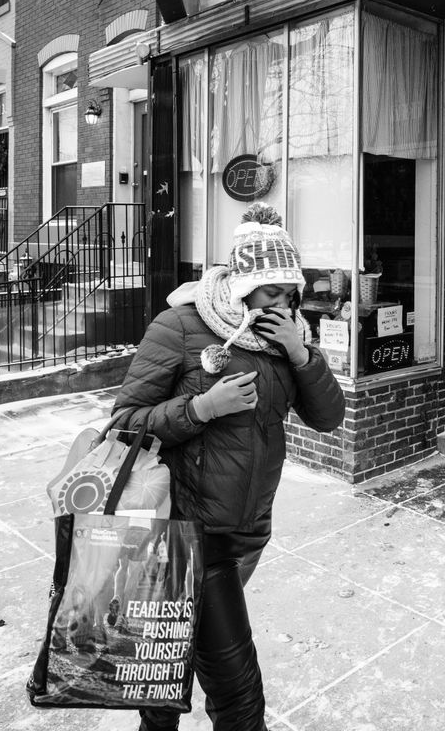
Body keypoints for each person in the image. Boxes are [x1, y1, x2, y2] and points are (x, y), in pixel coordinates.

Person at [112, 202, 345, 731]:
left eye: (291, 296)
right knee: (240, 701)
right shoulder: (180, 326)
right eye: (272, 294)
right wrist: (201, 409)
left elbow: (329, 418)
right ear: (242, 285)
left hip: (248, 529)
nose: (283, 306)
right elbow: (123, 424)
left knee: (166, 670)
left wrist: (302, 354)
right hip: (187, 534)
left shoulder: (288, 337)